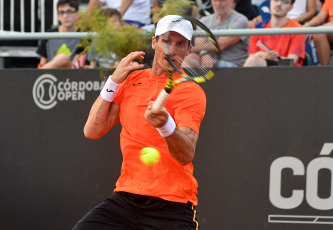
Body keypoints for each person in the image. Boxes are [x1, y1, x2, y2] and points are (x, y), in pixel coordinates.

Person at [73, 15, 206, 230]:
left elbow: (185, 154)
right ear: (154, 42)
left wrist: (165, 125)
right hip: (126, 200)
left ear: (189, 49)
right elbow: (92, 130)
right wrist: (113, 81)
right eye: (166, 40)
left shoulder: (191, 92)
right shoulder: (132, 80)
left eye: (180, 43)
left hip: (172, 204)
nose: (171, 49)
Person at [243, 0, 305, 67]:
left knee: (254, 61)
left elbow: (291, 63)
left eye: (285, 2)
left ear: (291, 7)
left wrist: (269, 57)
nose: (279, 4)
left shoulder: (297, 29)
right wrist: (262, 55)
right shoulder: (257, 28)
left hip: (288, 71)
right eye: (276, 0)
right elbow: (251, 57)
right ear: (270, 2)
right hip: (261, 70)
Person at [197, 0, 249, 67]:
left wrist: (190, 49)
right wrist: (204, 54)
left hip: (232, 65)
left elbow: (219, 45)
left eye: (222, 0)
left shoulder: (241, 20)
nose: (218, 4)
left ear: (232, 1)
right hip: (210, 63)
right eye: (215, 0)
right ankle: (182, 77)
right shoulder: (204, 21)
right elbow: (199, 44)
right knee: (189, 59)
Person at [36, 0, 82, 69]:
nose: (65, 16)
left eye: (69, 12)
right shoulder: (49, 34)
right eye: (61, 12)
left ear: (77, 14)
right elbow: (42, 64)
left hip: (72, 77)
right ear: (58, 16)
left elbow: (75, 67)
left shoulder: (83, 35)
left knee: (62, 58)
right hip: (50, 76)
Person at [304, 0, 333, 65]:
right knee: (319, 34)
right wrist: (306, 26)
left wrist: (318, 28)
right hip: (330, 28)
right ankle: (325, 70)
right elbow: (320, 17)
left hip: (329, 27)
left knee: (319, 31)